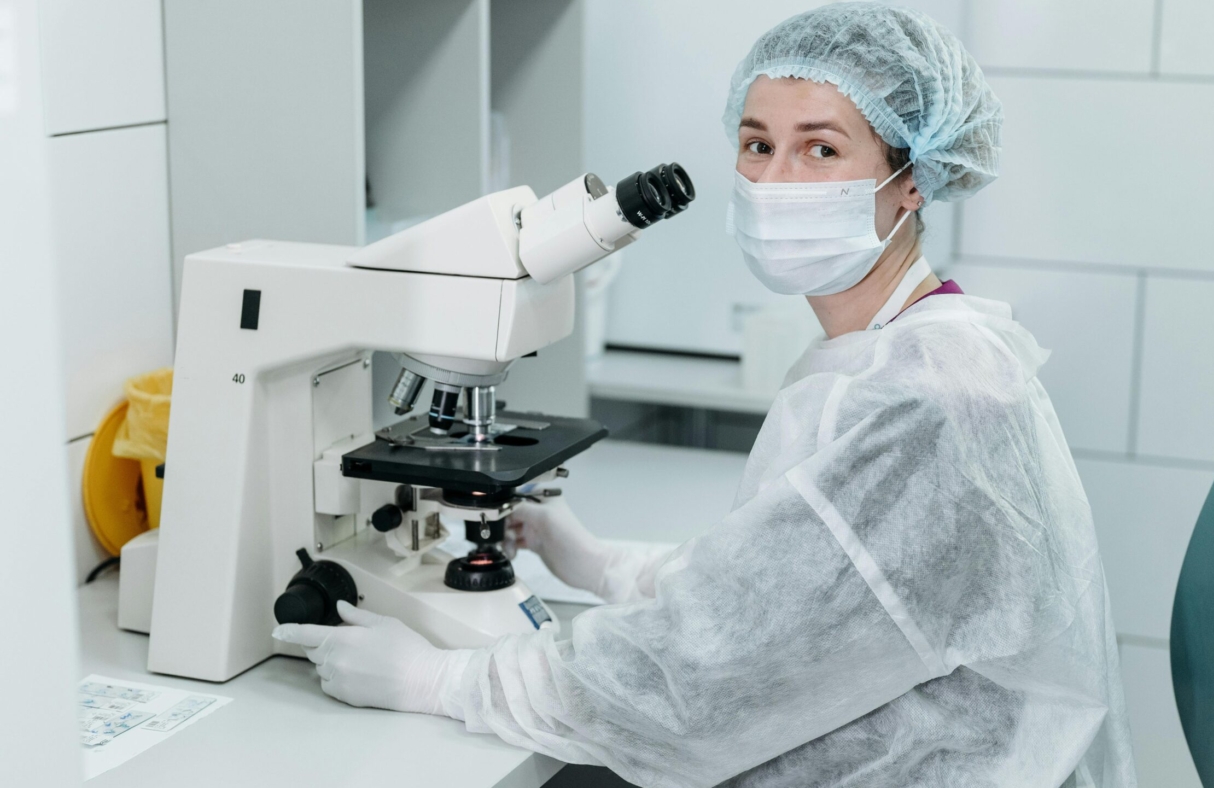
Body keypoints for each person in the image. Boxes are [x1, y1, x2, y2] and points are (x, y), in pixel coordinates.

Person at [274, 4, 1138, 786]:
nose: (773, 180)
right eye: (758, 144)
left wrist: (441, 680)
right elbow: (805, 597)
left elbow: (704, 683)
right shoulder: (897, 352)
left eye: (822, 149)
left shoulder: (927, 401)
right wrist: (602, 564)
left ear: (913, 179)